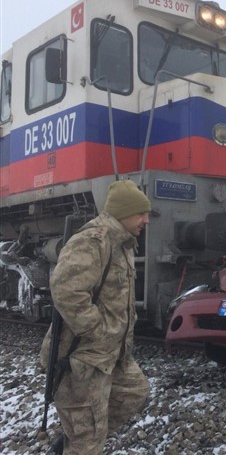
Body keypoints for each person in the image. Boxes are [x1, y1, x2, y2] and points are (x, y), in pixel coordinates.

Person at [40, 180, 152, 454]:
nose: (146, 220)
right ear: (123, 212)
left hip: (111, 354)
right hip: (83, 358)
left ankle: (79, 437)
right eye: (141, 213)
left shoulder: (122, 243)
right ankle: (80, 440)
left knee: (135, 392)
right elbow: (66, 290)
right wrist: (97, 331)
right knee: (87, 442)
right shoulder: (93, 241)